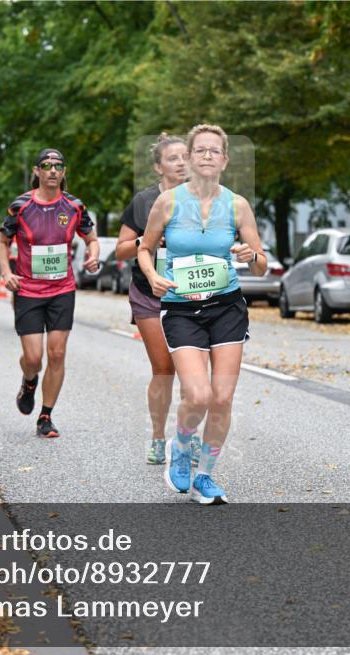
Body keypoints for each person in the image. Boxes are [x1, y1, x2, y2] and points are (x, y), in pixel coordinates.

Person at [138, 124, 267, 505]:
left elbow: (262, 264)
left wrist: (251, 256)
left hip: (226, 308)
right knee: (197, 394)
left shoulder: (238, 205)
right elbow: (144, 248)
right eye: (201, 150)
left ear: (225, 160)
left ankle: (205, 477)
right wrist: (152, 276)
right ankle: (180, 445)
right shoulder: (169, 202)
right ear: (190, 159)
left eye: (215, 151)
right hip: (181, 310)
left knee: (222, 398)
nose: (208, 156)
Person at [0, 148, 100, 438]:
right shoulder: (20, 206)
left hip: (62, 289)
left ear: (64, 172)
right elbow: (2, 241)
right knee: (33, 358)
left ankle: (46, 416)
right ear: (37, 171)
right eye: (47, 165)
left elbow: (91, 238)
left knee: (57, 353)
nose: (53, 170)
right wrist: (6, 272)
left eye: (58, 166)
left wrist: (93, 255)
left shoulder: (75, 207)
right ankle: (29, 382)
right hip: (28, 289)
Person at [115, 132, 201, 465]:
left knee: (191, 372)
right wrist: (150, 242)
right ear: (158, 167)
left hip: (191, 293)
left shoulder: (203, 198)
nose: (181, 163)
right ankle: (157, 436)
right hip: (150, 293)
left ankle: (187, 436)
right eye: (173, 158)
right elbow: (122, 250)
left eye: (185, 157)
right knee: (164, 368)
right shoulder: (144, 201)